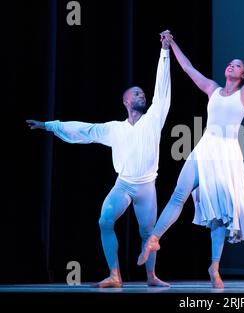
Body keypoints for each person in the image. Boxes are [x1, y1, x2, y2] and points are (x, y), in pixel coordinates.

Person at [137, 27, 244, 288]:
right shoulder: (213, 89)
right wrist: (171, 43)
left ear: (243, 75)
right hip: (204, 148)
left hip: (226, 155)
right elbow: (189, 69)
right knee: (179, 195)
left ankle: (214, 266)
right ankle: (154, 238)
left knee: (221, 216)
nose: (231, 66)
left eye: (236, 66)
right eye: (230, 64)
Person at [26, 35, 173, 288]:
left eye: (142, 93)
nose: (141, 95)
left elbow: (162, 89)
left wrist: (164, 52)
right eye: (136, 93)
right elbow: (84, 130)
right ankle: (115, 275)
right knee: (104, 221)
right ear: (126, 101)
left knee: (148, 234)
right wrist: (49, 126)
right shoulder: (114, 129)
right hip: (124, 185)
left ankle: (151, 276)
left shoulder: (153, 119)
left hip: (147, 186)